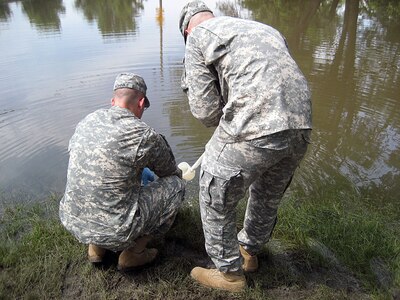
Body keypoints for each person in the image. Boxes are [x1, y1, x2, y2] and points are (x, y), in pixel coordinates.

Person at [179, 1, 312, 292]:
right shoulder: (264, 28)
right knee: (267, 192)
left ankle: (229, 274)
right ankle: (249, 252)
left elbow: (206, 112)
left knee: (214, 188)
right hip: (301, 124)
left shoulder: (197, 38)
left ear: (187, 30)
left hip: (256, 122)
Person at [59, 73, 185, 271]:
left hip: (74, 219)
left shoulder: (87, 121)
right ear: (141, 102)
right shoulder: (143, 134)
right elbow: (169, 172)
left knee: (117, 174)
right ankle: (133, 254)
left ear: (113, 101)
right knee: (176, 186)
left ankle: (96, 249)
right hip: (117, 229)